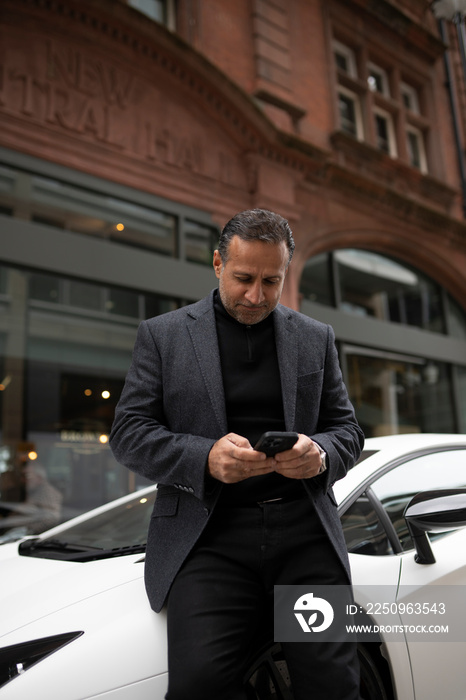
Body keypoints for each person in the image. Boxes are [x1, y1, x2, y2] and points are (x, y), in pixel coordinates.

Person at [110, 209, 364, 700]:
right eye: (244, 278)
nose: (257, 295)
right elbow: (128, 433)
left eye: (272, 281)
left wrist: (321, 454)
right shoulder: (163, 335)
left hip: (305, 539)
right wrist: (204, 457)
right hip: (210, 540)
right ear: (217, 264)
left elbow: (347, 429)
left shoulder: (316, 337)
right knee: (198, 685)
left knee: (333, 685)